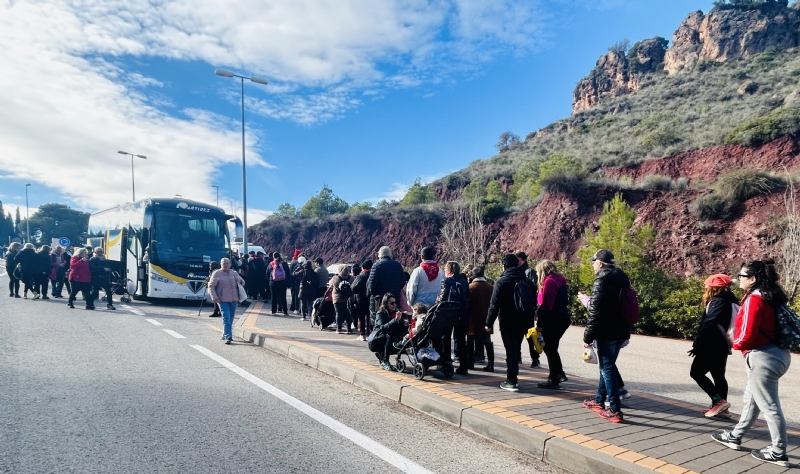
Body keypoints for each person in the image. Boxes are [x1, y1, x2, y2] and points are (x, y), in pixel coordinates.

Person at [712, 259, 792, 467]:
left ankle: (778, 451)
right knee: (751, 399)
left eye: (742, 276)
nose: (739, 279)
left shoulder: (755, 299)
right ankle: (735, 436)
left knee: (769, 406)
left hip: (762, 358)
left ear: (753, 279)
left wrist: (734, 343)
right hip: (778, 354)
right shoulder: (772, 296)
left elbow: (746, 333)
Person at [580, 249, 630, 423]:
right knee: (606, 366)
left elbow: (595, 312)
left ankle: (615, 410)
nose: (593, 265)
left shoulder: (601, 280)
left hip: (605, 332)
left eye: (594, 262)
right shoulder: (622, 279)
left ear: (600, 264)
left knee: (607, 368)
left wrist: (587, 336)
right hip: (621, 331)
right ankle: (598, 400)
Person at [689, 274, 738, 418]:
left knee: (696, 373)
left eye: (707, 285)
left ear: (714, 288)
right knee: (718, 375)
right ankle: (722, 409)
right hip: (723, 344)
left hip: (711, 344)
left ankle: (719, 402)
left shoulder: (718, 302)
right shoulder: (731, 299)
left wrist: (698, 344)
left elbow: (708, 324)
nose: (705, 287)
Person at [486, 254, 534, 391]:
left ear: (504, 266)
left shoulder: (502, 282)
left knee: (511, 350)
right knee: (516, 348)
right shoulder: (527, 281)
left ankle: (511, 380)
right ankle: (513, 376)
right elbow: (532, 303)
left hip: (507, 320)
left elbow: (494, 305)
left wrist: (488, 323)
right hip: (523, 321)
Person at [534, 260, 572, 389]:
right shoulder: (559, 280)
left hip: (553, 318)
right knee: (552, 347)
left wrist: (540, 324)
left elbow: (547, 305)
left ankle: (554, 377)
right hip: (562, 317)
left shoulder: (549, 282)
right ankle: (558, 374)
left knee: (549, 348)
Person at [437, 261, 470, 375]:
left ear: (449, 270)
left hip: (448, 314)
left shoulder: (447, 281)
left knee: (445, 339)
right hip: (462, 314)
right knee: (461, 340)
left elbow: (443, 298)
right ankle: (463, 366)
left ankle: (446, 363)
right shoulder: (464, 282)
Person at [208, 257, 245, 344]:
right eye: (224, 263)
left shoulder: (234, 273)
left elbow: (243, 282)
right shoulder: (216, 273)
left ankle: (225, 332)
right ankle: (228, 336)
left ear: (230, 264)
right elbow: (211, 286)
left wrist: (238, 280)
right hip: (222, 299)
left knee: (231, 318)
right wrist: (214, 297)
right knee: (226, 317)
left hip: (234, 299)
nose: (226, 265)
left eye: (227, 263)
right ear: (220, 265)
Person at [366, 246, 405, 325]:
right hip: (394, 297)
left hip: (380, 298)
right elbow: (403, 280)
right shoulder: (397, 265)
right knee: (394, 319)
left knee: (380, 320)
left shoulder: (376, 266)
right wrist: (396, 290)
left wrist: (374, 294)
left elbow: (371, 284)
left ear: (380, 255)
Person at [370, 293, 407, 371]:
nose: (394, 305)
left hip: (390, 339)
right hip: (376, 340)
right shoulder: (381, 313)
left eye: (395, 302)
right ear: (386, 303)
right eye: (392, 303)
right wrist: (395, 320)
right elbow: (382, 328)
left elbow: (399, 326)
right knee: (388, 335)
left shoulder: (396, 312)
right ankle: (385, 361)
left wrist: (405, 323)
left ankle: (382, 355)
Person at [468, 266, 495, 372]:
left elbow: (468, 304)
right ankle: (490, 364)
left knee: (470, 340)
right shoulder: (490, 287)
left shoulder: (470, 287)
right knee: (487, 340)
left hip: (473, 318)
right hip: (486, 317)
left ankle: (470, 362)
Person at [516, 251, 540, 368]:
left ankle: (535, 358)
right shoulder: (517, 271)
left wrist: (534, 308)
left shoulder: (529, 272)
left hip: (527, 309)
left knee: (530, 335)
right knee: (518, 336)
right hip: (521, 310)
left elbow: (534, 290)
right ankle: (518, 357)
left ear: (521, 259)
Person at [329, 265, 354, 334]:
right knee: (348, 314)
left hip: (337, 298)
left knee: (339, 313)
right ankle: (349, 329)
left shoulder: (335, 278)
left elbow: (330, 284)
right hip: (348, 299)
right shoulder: (351, 278)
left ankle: (339, 328)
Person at [351, 259, 372, 340]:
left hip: (361, 299)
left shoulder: (361, 276)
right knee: (370, 316)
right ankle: (370, 333)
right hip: (371, 299)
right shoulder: (373, 275)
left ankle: (362, 334)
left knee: (361, 317)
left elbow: (353, 288)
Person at [288, 249, 302, 314]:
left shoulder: (292, 261)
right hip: (296, 282)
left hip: (292, 281)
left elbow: (291, 273)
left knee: (293, 295)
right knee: (296, 296)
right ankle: (296, 307)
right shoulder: (297, 262)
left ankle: (292, 307)